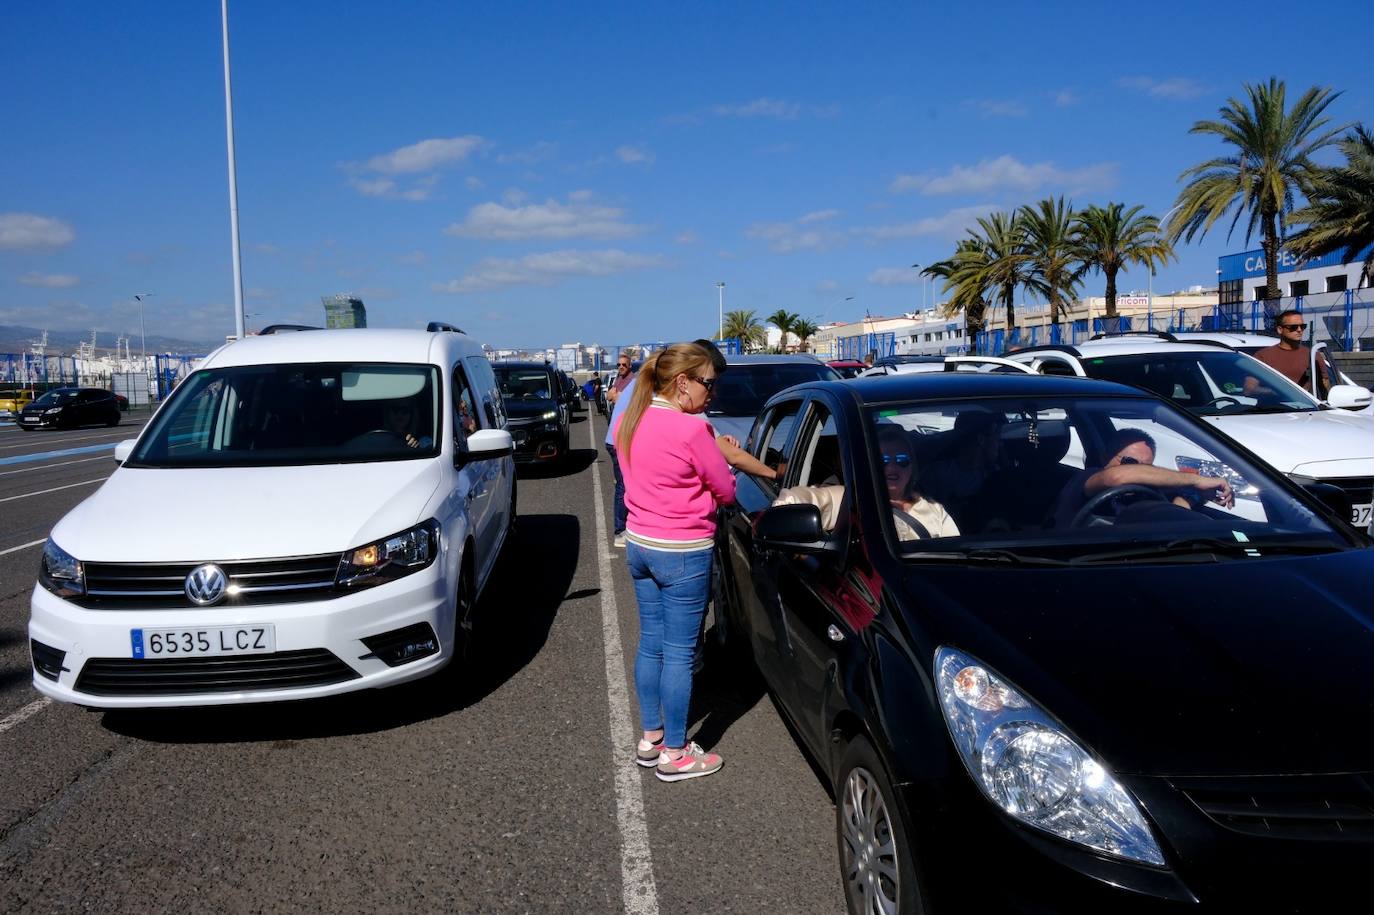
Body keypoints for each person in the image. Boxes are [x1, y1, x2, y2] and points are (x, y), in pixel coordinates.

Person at [614, 343, 736, 782]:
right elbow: (726, 489)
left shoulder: (635, 418)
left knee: (652, 642)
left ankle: (651, 738)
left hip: (641, 542)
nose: (712, 393)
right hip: (683, 550)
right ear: (682, 382)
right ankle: (677, 753)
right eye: (708, 383)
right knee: (681, 655)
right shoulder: (692, 430)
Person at [774, 424, 959, 539]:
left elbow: (954, 554)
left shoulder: (933, 508)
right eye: (883, 461)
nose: (892, 468)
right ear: (870, 465)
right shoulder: (851, 499)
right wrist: (783, 508)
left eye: (902, 460)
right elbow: (805, 497)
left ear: (912, 468)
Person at [1051, 428, 1234, 528]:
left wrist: (1190, 496)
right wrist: (1195, 479)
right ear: (1105, 457)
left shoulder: (1147, 490)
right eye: (1129, 461)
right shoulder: (1088, 478)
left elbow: (1169, 525)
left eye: (1145, 467)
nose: (1137, 470)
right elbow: (1117, 477)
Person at [1248, 309, 1329, 396]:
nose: (1299, 330)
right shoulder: (1263, 356)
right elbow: (1249, 389)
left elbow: (1325, 386)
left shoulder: (1313, 355)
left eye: (1302, 326)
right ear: (1280, 329)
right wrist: (1278, 392)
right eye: (1293, 327)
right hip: (1274, 408)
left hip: (1307, 407)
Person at [604, 355, 636, 547]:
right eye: (619, 365)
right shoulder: (635, 385)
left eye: (624, 364)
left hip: (618, 439)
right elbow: (610, 396)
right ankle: (620, 531)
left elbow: (614, 397)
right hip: (618, 440)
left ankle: (625, 526)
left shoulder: (632, 383)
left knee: (625, 483)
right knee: (623, 485)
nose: (621, 367)